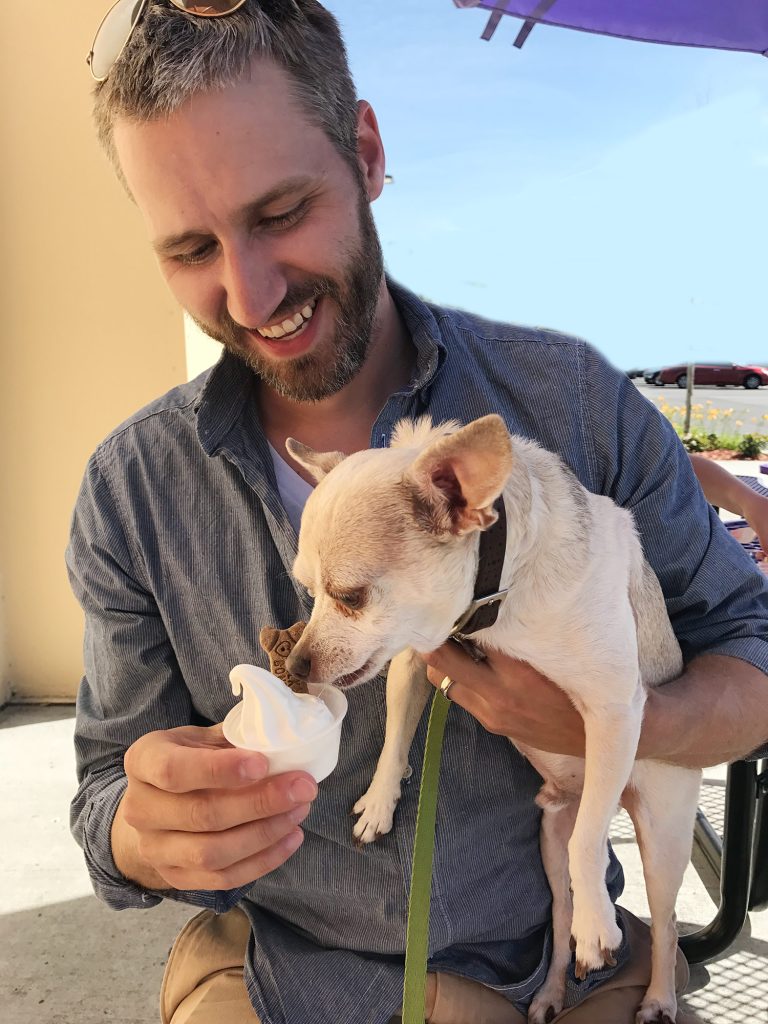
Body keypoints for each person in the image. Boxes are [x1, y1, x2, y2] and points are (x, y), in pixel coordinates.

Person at [69, 3, 768, 1023]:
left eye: (277, 214)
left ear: (366, 151)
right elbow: (101, 799)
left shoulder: (573, 404)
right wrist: (142, 828)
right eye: (189, 248)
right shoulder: (133, 492)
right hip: (283, 980)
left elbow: (752, 652)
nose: (251, 294)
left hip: (562, 977)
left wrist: (622, 717)